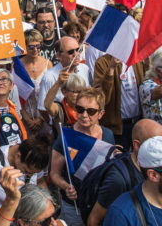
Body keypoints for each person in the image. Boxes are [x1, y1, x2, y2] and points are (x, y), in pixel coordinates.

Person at [50, 88, 114, 226]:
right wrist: (66, 186)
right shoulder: (66, 137)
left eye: (90, 111)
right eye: (80, 109)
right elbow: (54, 173)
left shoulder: (108, 135)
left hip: (99, 204)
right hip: (74, 207)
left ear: (101, 113)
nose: (84, 115)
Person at [87, 119, 162, 226]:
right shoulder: (117, 179)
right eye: (156, 144)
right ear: (137, 145)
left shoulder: (155, 168)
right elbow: (94, 219)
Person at [93, 54, 145, 152]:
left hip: (138, 122)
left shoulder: (137, 59)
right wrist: (111, 69)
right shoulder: (103, 62)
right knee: (120, 161)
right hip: (117, 127)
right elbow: (101, 99)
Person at [0, 167, 65, 226]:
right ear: (23, 223)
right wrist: (11, 200)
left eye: (54, 215)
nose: (54, 223)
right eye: (46, 222)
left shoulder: (60, 223)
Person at [38, 36, 91, 113]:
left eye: (78, 50)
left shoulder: (85, 69)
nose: (76, 54)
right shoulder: (49, 77)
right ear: (59, 56)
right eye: (70, 52)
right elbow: (42, 109)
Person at [20, 29, 53, 134]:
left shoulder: (48, 64)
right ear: (24, 47)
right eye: (31, 47)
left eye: (38, 46)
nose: (35, 49)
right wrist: (28, 120)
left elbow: (52, 94)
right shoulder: (17, 66)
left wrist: (42, 119)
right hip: (25, 117)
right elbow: (15, 98)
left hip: (45, 116)